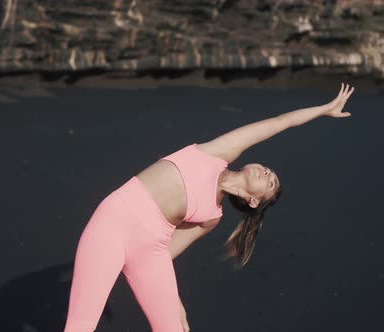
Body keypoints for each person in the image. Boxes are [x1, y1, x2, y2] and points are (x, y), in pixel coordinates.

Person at [64, 83, 354, 332]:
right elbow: (280, 122)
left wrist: (172, 301)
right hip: (113, 223)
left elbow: (163, 253)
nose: (268, 172)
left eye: (271, 182)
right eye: (268, 171)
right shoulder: (217, 152)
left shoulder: (211, 217)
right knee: (80, 327)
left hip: (149, 251)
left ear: (254, 201)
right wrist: (323, 109)